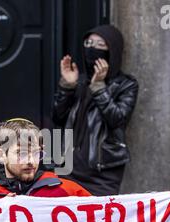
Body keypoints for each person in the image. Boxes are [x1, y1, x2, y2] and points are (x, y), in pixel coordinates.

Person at [53, 25, 139, 197]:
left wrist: (99, 87)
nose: (92, 49)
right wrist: (67, 86)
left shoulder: (126, 84)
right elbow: (58, 117)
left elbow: (117, 120)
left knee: (98, 221)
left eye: (100, 45)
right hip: (68, 168)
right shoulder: (79, 81)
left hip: (102, 172)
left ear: (112, 50)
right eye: (88, 43)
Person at [0, 119, 92, 205]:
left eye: (36, 153)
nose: (30, 161)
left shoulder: (69, 191)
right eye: (22, 153)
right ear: (2, 155)